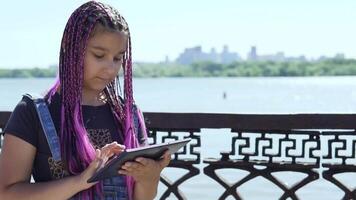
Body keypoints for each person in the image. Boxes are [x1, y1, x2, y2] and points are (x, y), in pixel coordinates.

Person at [0, 1, 171, 200]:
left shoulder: (129, 114)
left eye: (118, 58)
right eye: (99, 55)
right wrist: (80, 181)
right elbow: (6, 193)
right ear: (69, 46)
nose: (110, 68)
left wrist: (149, 178)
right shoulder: (32, 112)